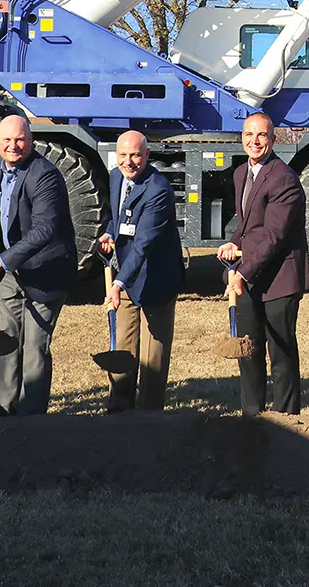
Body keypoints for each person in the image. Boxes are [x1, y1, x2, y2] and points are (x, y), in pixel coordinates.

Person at [0, 116, 77, 416]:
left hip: (47, 270)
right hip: (12, 271)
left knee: (34, 347)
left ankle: (32, 419)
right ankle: (5, 409)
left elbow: (44, 230)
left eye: (19, 139)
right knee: (6, 340)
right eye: (7, 140)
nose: (13, 145)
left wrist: (0, 262)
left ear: (30, 140)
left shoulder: (45, 175)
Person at [217, 112, 308, 416]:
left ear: (273, 139)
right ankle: (251, 415)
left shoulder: (284, 179)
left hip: (281, 277)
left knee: (280, 352)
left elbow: (274, 235)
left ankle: (286, 418)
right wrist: (235, 242)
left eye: (261, 136)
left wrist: (242, 272)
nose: (254, 141)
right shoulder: (242, 172)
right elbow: (248, 224)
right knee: (248, 347)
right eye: (248, 135)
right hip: (252, 274)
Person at [98, 130, 184, 412]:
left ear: (147, 155)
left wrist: (119, 282)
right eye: (123, 155)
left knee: (152, 354)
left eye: (135, 155)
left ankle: (149, 417)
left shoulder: (158, 189)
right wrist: (110, 234)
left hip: (156, 277)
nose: (129, 161)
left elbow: (144, 242)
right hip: (127, 277)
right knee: (123, 345)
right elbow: (117, 215)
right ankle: (119, 410)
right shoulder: (114, 176)